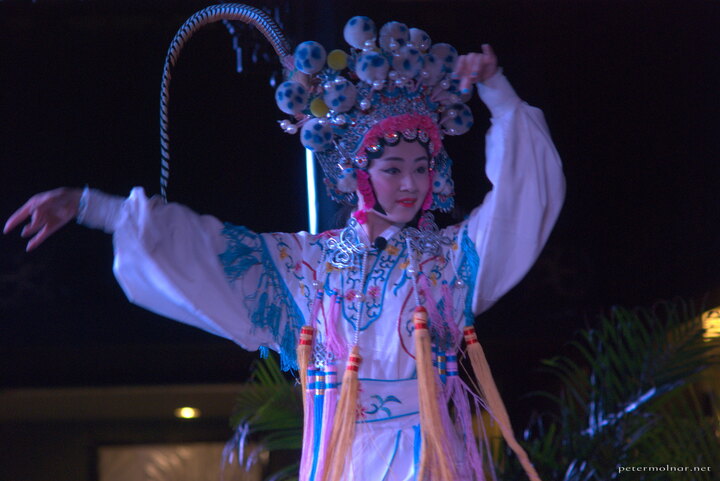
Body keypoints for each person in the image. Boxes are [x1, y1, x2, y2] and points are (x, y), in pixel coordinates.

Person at [4, 11, 564, 481]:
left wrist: (497, 88)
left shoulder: (450, 261)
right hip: (342, 461)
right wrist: (88, 206)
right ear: (357, 171)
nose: (411, 184)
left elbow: (523, 200)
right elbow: (203, 248)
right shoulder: (305, 267)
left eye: (422, 167)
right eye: (393, 168)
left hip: (431, 461)